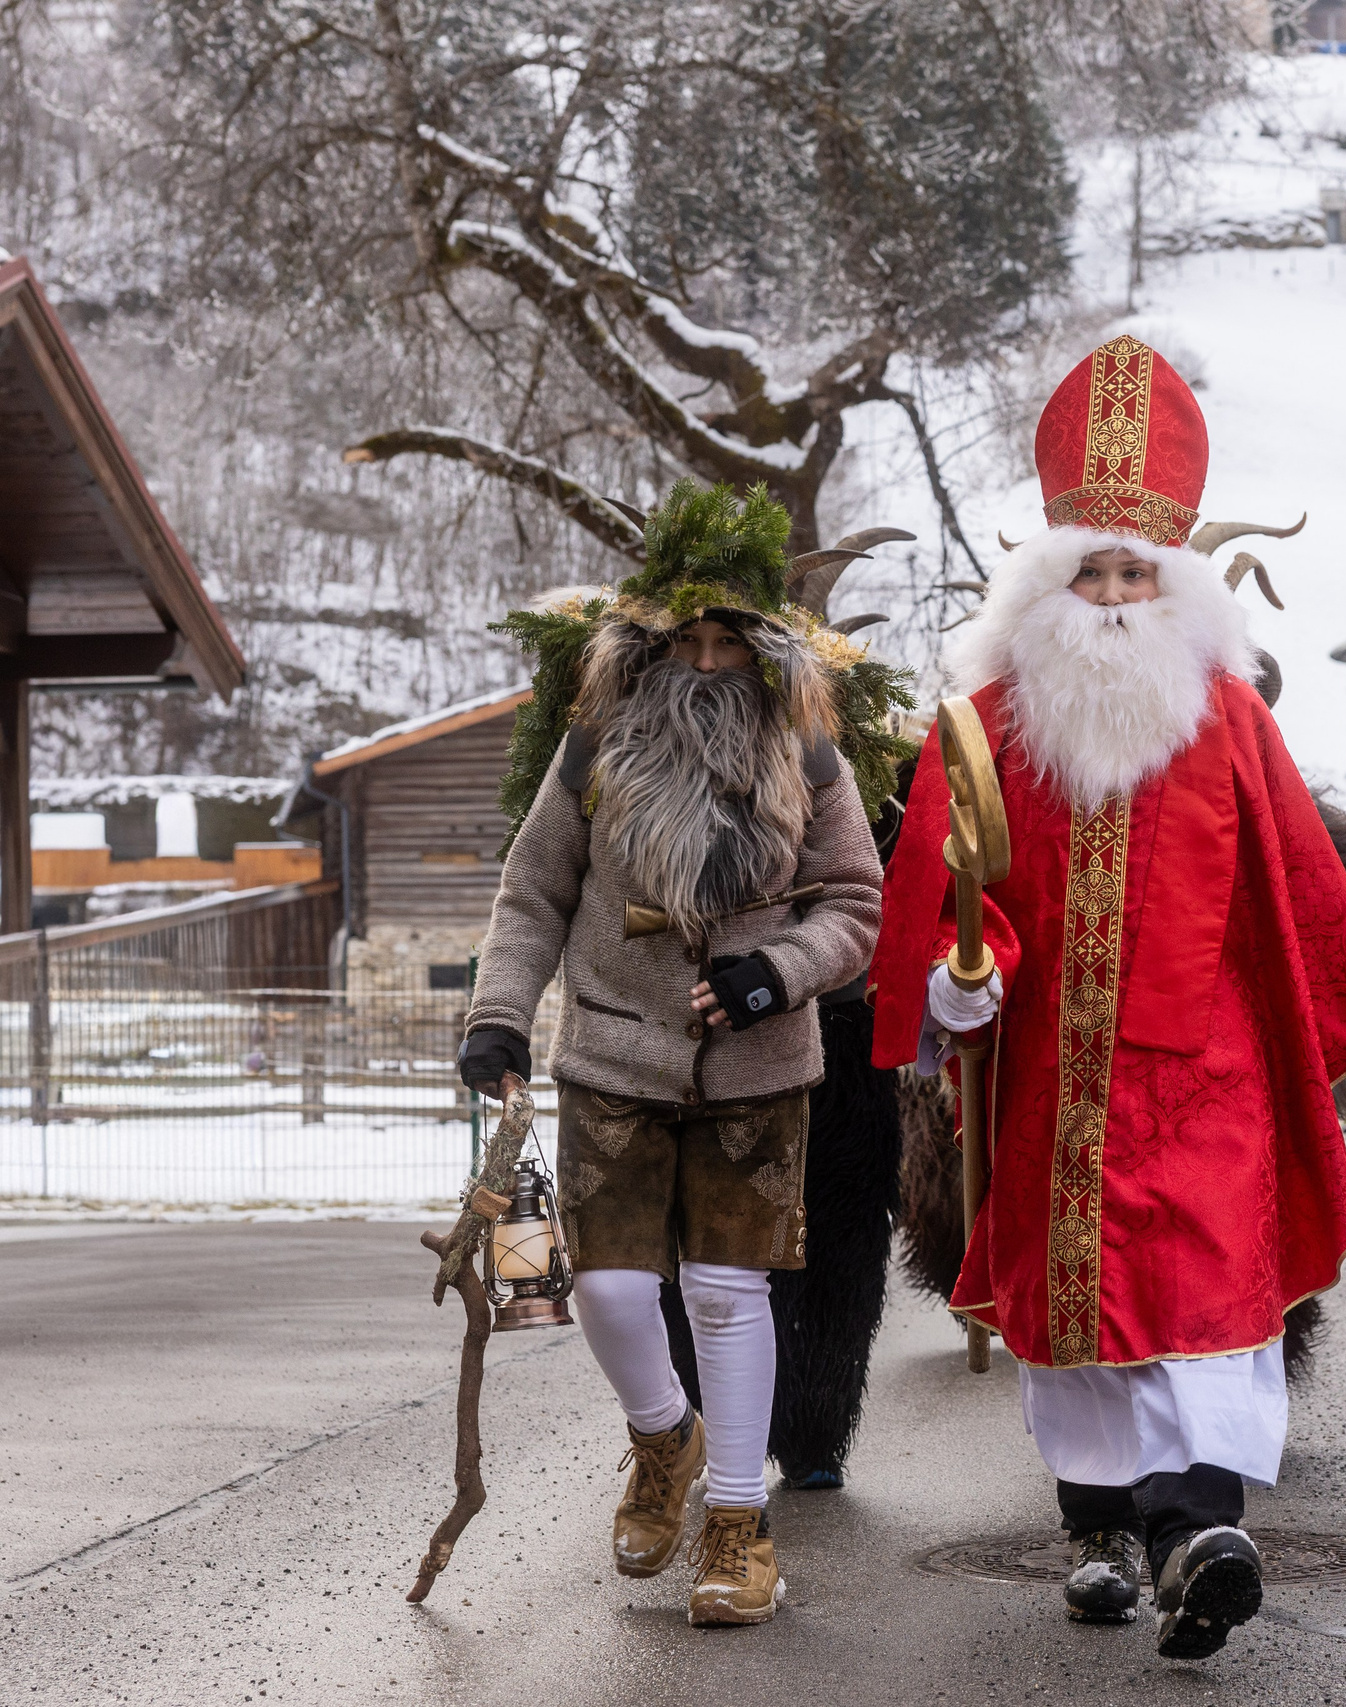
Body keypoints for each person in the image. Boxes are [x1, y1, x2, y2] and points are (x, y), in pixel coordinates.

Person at [871, 335, 1346, 1662]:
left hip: (1203, 1070)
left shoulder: (1228, 715)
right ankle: (1099, 1525)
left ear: (1172, 585)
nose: (1110, 595)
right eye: (1089, 571)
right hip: (1053, 1068)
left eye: (1132, 573)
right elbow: (953, 870)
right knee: (1077, 1313)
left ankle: (1196, 1530)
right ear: (1048, 584)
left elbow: (1296, 879)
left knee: (1208, 1302)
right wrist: (955, 979)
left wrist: (1338, 1003)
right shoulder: (988, 716)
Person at [459, 481, 887, 1628]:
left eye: (727, 642)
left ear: (764, 651)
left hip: (757, 1069)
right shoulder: (593, 743)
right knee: (603, 1288)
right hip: (611, 1055)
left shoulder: (811, 753)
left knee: (726, 1290)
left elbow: (853, 903)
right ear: (651, 641)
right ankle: (665, 1438)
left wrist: (775, 973)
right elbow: (533, 892)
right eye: (684, 639)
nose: (704, 661)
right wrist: (497, 1014)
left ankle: (739, 1527)